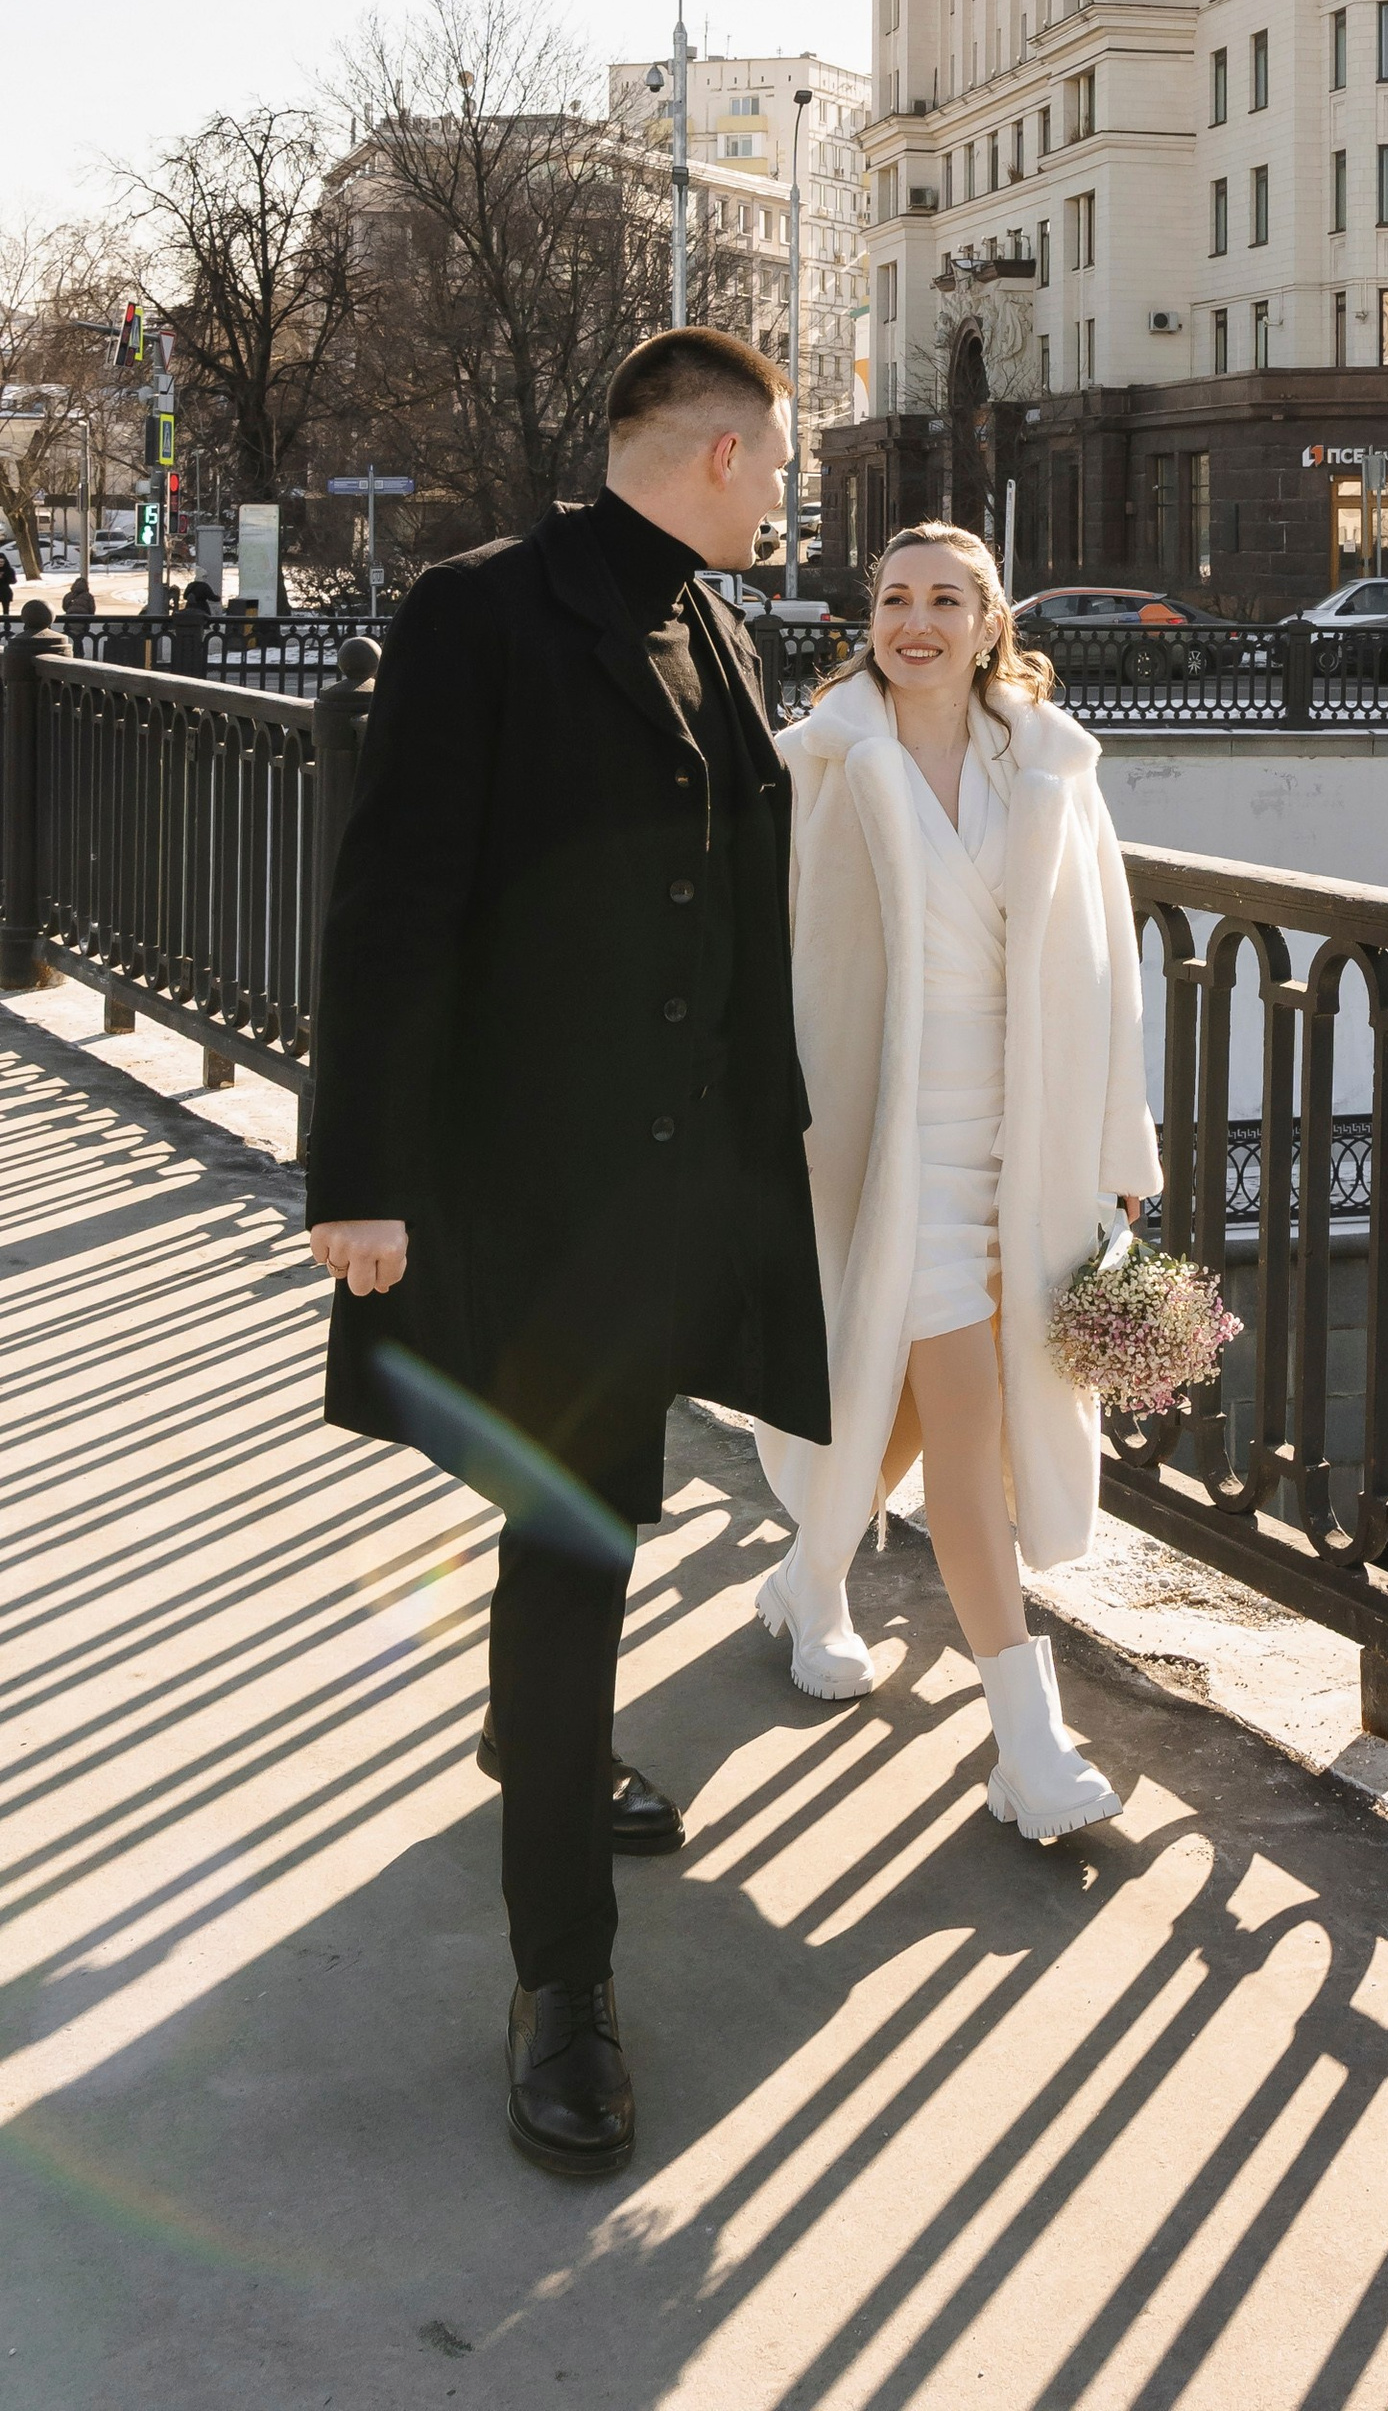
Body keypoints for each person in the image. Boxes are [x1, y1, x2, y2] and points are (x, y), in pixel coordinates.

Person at [302, 328, 830, 2178]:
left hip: (676, 1187)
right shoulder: (484, 611)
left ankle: (540, 1746)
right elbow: (394, 902)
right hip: (534, 1186)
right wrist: (361, 1177)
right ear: (717, 452)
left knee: (589, 1524)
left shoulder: (718, 625)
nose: (785, 493)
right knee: (571, 1533)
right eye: (779, 462)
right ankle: (563, 1988)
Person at [753, 522, 1158, 1839]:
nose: (914, 623)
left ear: (990, 623)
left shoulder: (1049, 766)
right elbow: (762, 952)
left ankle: (809, 1576)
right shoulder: (818, 762)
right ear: (866, 618)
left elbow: (1110, 971)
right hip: (881, 1145)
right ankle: (1028, 1747)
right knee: (970, 1428)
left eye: (943, 600)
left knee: (923, 1406)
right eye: (892, 599)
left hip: (1020, 1145)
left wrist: (1118, 1151)